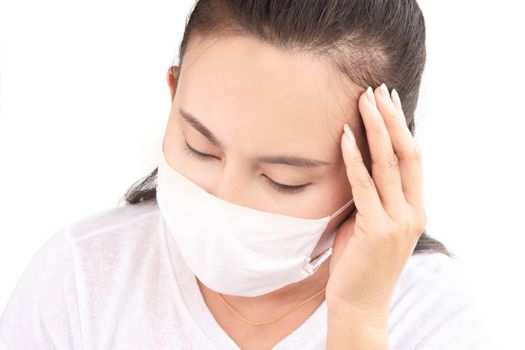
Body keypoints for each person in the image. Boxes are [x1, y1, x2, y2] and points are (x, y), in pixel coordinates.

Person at [0, 0, 489, 349]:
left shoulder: (431, 314)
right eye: (200, 148)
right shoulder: (81, 277)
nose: (222, 202)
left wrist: (357, 319)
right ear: (174, 98)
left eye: (284, 180)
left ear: (385, 164)